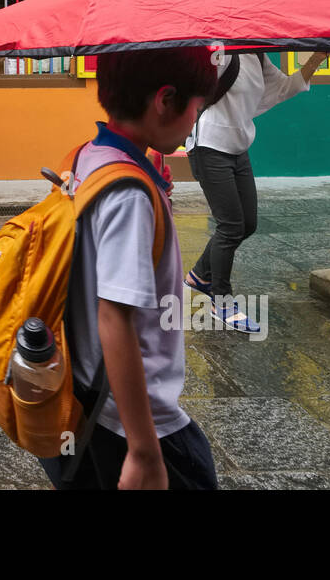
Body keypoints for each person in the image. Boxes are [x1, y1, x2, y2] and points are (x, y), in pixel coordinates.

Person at [41, 47, 220, 490]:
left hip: (89, 394)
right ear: (165, 100)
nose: (194, 122)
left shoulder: (88, 154)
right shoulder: (129, 194)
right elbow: (114, 316)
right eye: (196, 108)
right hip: (135, 418)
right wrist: (143, 450)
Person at [183, 50, 330, 331]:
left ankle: (200, 274)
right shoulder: (222, 51)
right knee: (230, 227)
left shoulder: (258, 57)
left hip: (238, 148)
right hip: (210, 145)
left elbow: (286, 86)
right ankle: (221, 302)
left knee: (247, 223)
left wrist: (316, 59)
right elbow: (194, 82)